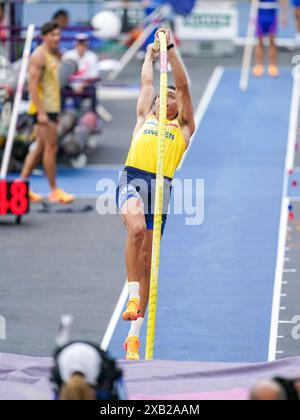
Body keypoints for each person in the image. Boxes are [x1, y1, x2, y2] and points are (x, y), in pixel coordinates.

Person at [116, 28, 195, 361]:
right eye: (164, 96)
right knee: (135, 230)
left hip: (161, 191)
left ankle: (133, 338)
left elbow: (185, 85)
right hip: (133, 179)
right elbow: (147, 84)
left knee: (148, 263)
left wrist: (171, 50)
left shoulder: (183, 128)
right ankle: (132, 295)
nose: (168, 98)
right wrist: (150, 56)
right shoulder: (143, 117)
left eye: (172, 97)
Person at [20, 21, 75, 204]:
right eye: (52, 35)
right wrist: (41, 112)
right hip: (42, 110)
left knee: (40, 148)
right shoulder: (39, 56)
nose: (56, 38)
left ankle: (22, 185)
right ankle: (54, 190)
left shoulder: (52, 55)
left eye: (58, 35)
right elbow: (32, 86)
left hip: (52, 108)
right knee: (51, 148)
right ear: (44, 36)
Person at [62, 33, 99, 113]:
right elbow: (64, 75)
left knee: (93, 90)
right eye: (79, 44)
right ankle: (60, 114)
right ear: (76, 44)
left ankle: (93, 114)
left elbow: (94, 75)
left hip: (86, 86)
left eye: (83, 44)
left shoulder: (92, 56)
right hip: (70, 85)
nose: (81, 47)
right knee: (61, 90)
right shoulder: (68, 55)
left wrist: (82, 85)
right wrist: (73, 86)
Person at [253, 0, 288, 78]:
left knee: (272, 41)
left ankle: (272, 66)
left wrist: (284, 15)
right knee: (259, 41)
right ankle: (259, 65)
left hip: (272, 16)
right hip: (260, 16)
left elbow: (283, 1)